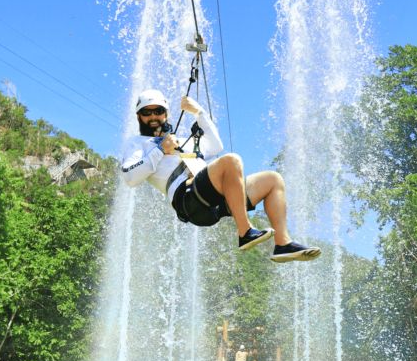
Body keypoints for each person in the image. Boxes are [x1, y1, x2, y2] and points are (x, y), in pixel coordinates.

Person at [121, 89, 321, 262]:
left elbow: (216, 146)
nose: (153, 116)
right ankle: (245, 233)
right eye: (147, 112)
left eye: (158, 111)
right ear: (139, 116)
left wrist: (199, 113)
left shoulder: (181, 141)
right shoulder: (137, 143)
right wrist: (160, 150)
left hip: (213, 200)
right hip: (188, 200)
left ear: (166, 115)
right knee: (231, 161)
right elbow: (131, 178)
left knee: (273, 179)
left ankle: (283, 244)